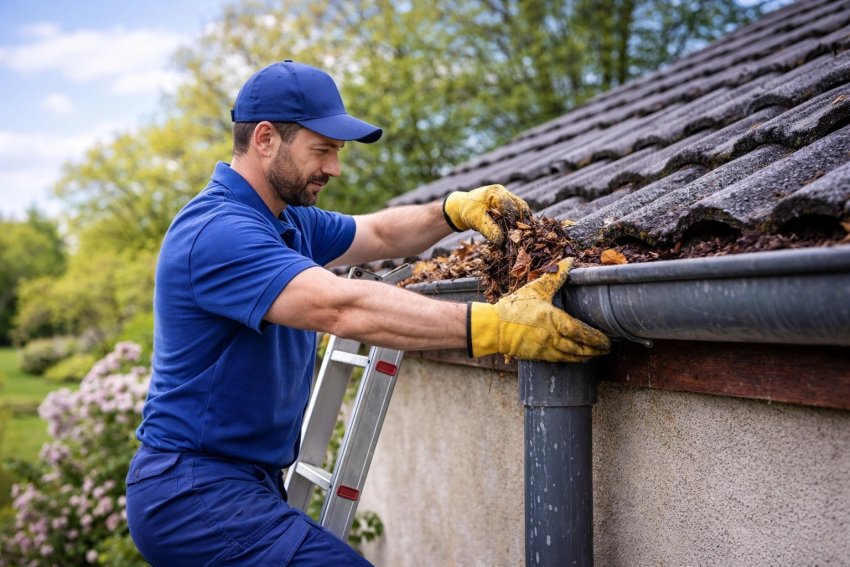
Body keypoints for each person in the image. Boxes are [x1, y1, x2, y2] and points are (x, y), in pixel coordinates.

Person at [125, 60, 609, 566]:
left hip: (243, 482)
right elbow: (341, 305)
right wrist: (494, 326)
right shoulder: (219, 232)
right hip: (192, 490)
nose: (334, 168)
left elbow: (377, 233)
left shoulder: (287, 221)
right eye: (322, 150)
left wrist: (452, 211)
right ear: (265, 139)